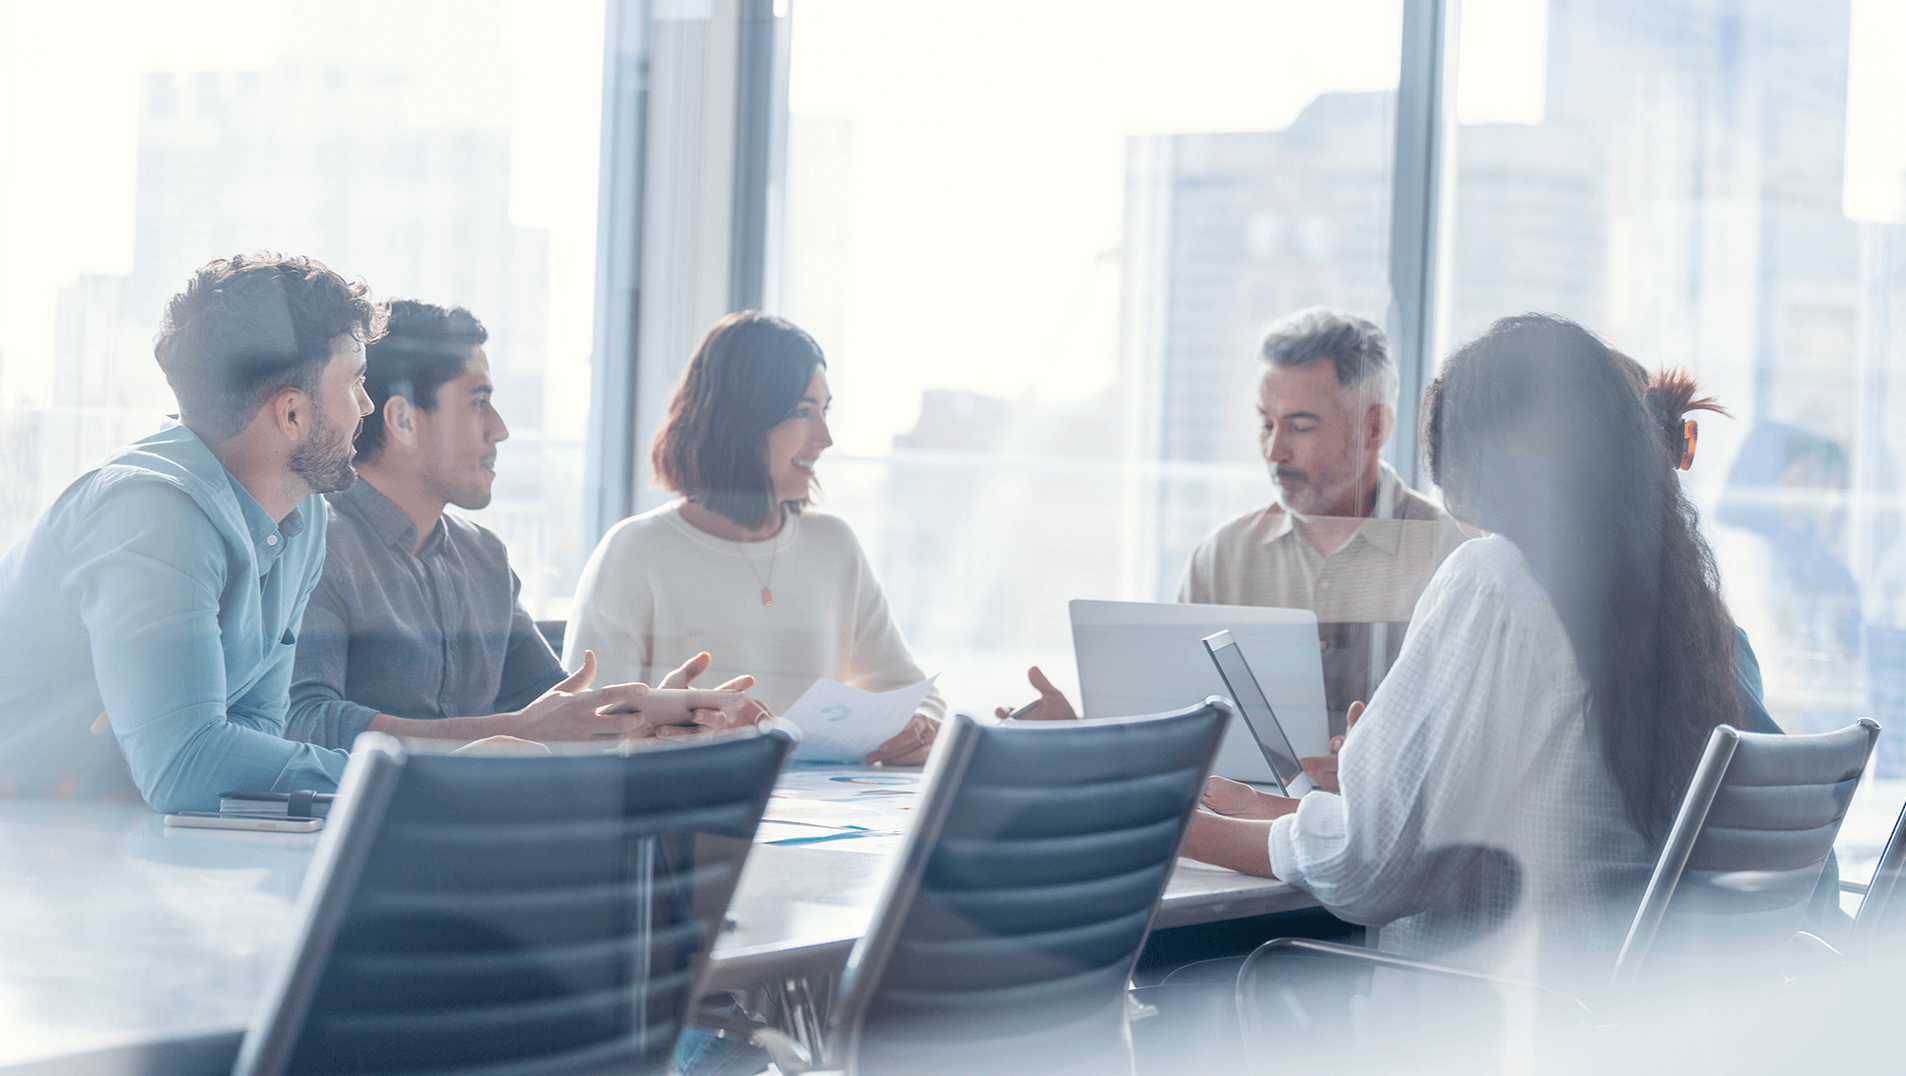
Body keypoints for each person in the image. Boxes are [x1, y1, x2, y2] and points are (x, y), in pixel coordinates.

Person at [1183, 314, 1755, 997]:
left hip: (1483, 1024)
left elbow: (1369, 872)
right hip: (1599, 1012)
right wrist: (1324, 795)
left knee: (1209, 987)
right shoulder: (1659, 600)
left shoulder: (1494, 577)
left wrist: (1172, 830)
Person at [285, 300, 755, 752]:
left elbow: (551, 711)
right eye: (478, 402)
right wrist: (515, 731)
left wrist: (653, 715)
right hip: (371, 822)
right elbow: (306, 720)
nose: (500, 428)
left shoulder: (483, 557)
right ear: (403, 420)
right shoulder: (316, 544)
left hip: (493, 817)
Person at [0, 255, 378, 811]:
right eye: (356, 382)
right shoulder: (151, 513)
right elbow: (187, 768)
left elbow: (252, 729)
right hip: (30, 840)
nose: (366, 404)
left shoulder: (300, 518)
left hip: (108, 830)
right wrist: (406, 778)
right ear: (292, 414)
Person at [1003, 308, 1467, 733]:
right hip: (1230, 816)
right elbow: (1174, 728)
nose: (1274, 450)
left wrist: (1369, 769)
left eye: (1301, 427)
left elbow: (1463, 743)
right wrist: (1078, 730)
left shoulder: (1448, 558)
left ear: (1374, 429)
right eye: (1266, 424)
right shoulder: (1222, 557)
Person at [564, 311, 944, 765]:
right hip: (689, 815)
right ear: (739, 421)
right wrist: (672, 728)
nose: (825, 437)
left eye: (824, 411)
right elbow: (581, 732)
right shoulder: (635, 552)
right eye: (803, 412)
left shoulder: (834, 545)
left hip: (823, 817)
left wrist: (921, 725)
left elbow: (913, 691)